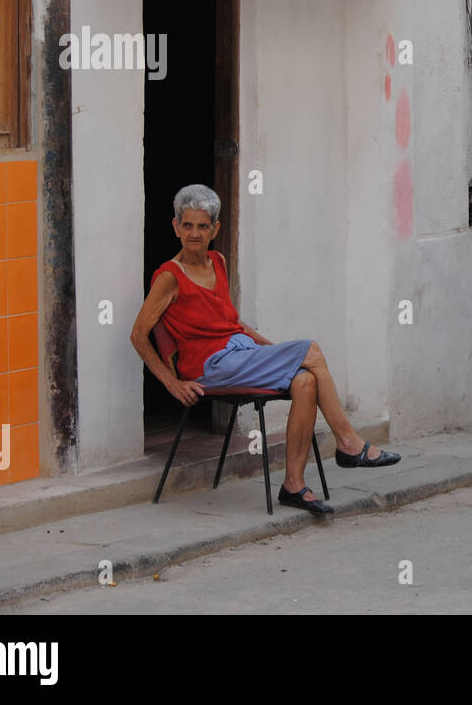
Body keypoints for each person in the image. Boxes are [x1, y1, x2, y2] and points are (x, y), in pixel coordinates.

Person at [130, 185, 398, 516]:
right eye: (187, 225)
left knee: (305, 381)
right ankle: (348, 444)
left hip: (240, 353)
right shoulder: (170, 276)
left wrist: (276, 354)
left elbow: (235, 324)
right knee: (310, 349)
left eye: (202, 226)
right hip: (210, 366)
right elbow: (139, 334)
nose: (194, 234)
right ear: (175, 227)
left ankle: (294, 486)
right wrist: (173, 384)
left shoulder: (218, 262)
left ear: (215, 229)